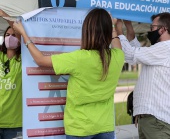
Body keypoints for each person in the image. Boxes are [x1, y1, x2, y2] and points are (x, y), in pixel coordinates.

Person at [13, 8, 125, 139]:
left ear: (87, 31)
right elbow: (116, 41)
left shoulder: (79, 58)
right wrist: (112, 25)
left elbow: (40, 60)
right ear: (107, 31)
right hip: (105, 126)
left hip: (79, 127)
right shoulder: (118, 56)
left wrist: (24, 35)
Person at [115, 13, 170, 139]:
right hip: (152, 120)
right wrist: (129, 27)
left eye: (152, 27)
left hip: (157, 122)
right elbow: (137, 51)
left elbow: (129, 54)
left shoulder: (165, 47)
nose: (150, 31)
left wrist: (117, 29)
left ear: (163, 29)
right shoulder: (158, 50)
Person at [0, 10, 22, 139]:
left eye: (14, 35)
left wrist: (4, 15)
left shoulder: (23, 60)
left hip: (15, 124)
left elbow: (22, 34)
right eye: (7, 35)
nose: (10, 38)